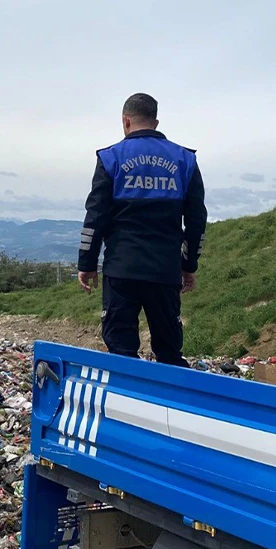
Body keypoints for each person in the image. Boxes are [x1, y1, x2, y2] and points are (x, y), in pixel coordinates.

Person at [77, 92, 207, 367]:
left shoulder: (111, 158)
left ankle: (126, 404)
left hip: (121, 270)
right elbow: (196, 220)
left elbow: (96, 216)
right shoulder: (185, 160)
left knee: (121, 351)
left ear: (125, 120)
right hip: (164, 271)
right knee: (169, 351)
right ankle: (173, 404)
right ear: (155, 122)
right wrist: (188, 265)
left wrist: (87, 264)